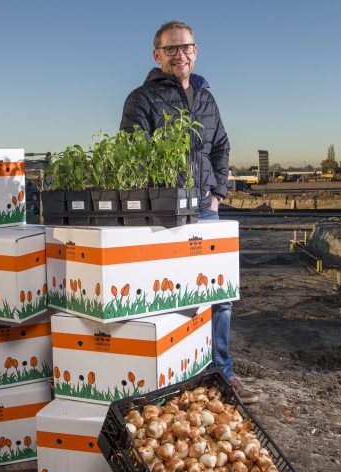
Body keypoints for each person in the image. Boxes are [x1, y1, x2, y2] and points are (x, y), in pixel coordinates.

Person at [120, 20, 258, 404]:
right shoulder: (142, 99)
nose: (180, 55)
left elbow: (221, 146)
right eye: (171, 49)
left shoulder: (205, 98)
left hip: (206, 212)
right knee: (173, 299)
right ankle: (179, 378)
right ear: (157, 55)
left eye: (186, 47)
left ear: (195, 51)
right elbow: (132, 156)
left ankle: (222, 373)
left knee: (219, 296)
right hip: (165, 218)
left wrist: (217, 195)